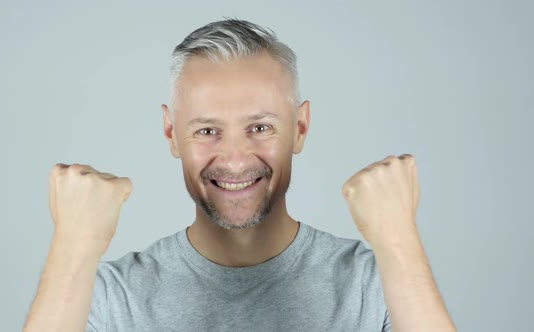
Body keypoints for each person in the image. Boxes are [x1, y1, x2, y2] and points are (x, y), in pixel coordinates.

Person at [23, 19, 456, 332]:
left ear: (300, 128)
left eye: (260, 127)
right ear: (171, 133)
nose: (233, 159)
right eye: (207, 130)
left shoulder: (374, 284)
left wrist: (398, 242)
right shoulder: (111, 297)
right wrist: (72, 249)